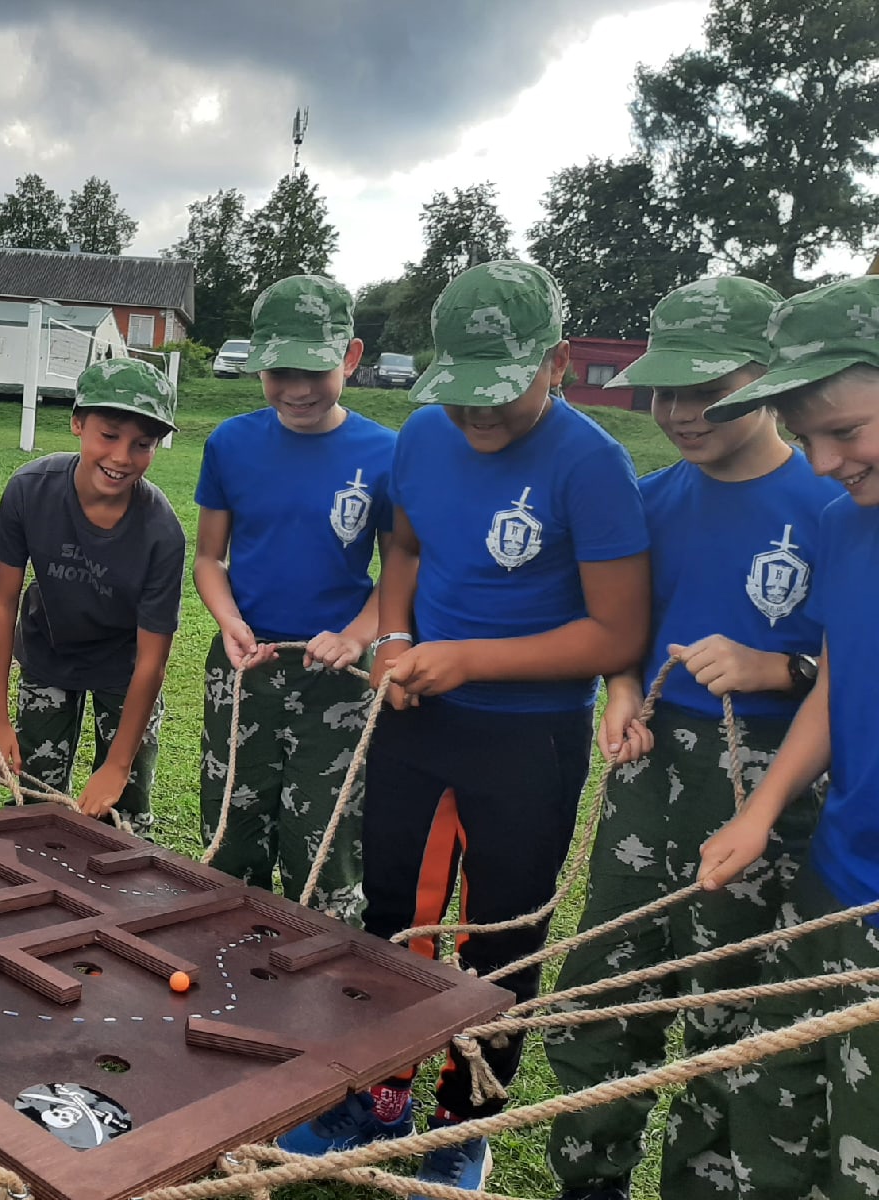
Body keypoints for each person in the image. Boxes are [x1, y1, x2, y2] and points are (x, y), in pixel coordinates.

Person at [280, 262, 650, 1198]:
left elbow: (617, 632)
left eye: (501, 391)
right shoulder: (421, 441)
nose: (477, 415)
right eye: (463, 392)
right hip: (419, 714)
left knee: (500, 941)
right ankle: (380, 1092)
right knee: (395, 913)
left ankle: (466, 1120)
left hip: (528, 739)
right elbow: (403, 546)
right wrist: (400, 638)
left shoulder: (592, 465)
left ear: (558, 363)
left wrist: (470, 658)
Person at [542, 277, 839, 1200]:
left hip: (765, 795)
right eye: (665, 390)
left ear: (771, 381)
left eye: (707, 391)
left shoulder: (830, 505)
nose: (679, 412)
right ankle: (589, 1178)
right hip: (651, 772)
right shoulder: (647, 499)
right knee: (603, 989)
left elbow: (853, 675)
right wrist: (622, 688)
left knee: (730, 1014)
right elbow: (620, 632)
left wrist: (774, 670)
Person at [696, 276, 879, 1200]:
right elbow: (838, 683)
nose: (821, 462)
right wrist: (764, 810)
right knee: (773, 1119)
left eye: (845, 431)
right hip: (837, 883)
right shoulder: (845, 526)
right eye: (808, 439)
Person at [192, 274, 394, 918]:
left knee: (325, 846)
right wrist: (228, 621)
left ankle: (322, 1002)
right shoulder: (231, 443)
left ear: (351, 358)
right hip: (245, 669)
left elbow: (399, 573)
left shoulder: (385, 453)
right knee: (230, 837)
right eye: (279, 369)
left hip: (336, 678)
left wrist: (358, 637)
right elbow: (208, 558)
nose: (298, 387)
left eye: (316, 367)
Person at [0, 358, 185, 833]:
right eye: (108, 435)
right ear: (76, 423)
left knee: (123, 811)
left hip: (125, 670)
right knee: (36, 797)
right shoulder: (30, 490)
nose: (122, 457)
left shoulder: (162, 531)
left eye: (142, 444)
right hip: (49, 655)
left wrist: (118, 763)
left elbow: (153, 659)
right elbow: (1, 603)